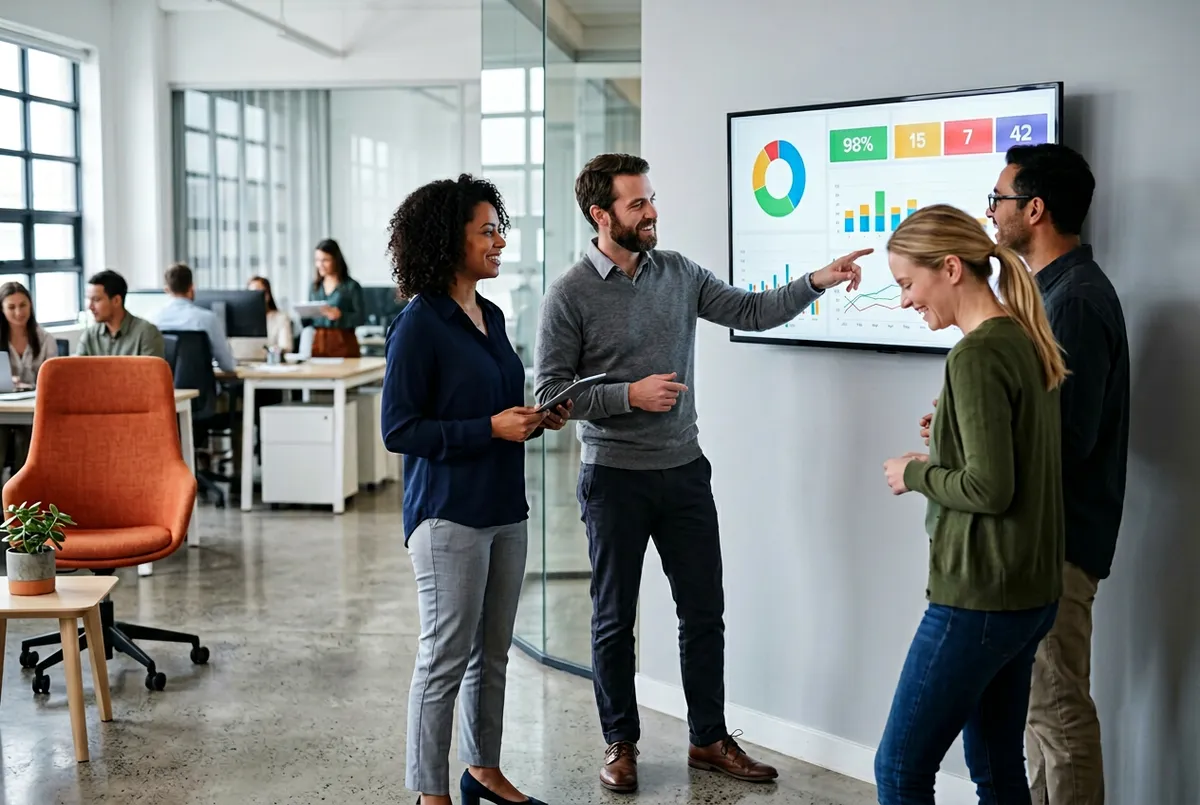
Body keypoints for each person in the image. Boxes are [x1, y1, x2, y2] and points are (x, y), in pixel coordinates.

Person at [533, 153, 869, 793]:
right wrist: (629, 395)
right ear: (601, 215)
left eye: (651, 198)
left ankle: (707, 739)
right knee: (612, 618)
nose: (652, 211)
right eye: (637, 203)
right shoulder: (569, 293)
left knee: (704, 612)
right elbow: (551, 392)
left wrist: (818, 280)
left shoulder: (679, 273)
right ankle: (620, 743)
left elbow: (750, 311)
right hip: (614, 478)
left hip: (684, 471)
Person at [381, 174, 571, 805]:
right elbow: (400, 428)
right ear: (448, 240)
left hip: (503, 506)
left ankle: (482, 771)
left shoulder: (489, 314)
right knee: (444, 660)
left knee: (492, 655)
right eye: (486, 230)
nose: (499, 240)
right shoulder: (418, 323)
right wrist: (489, 427)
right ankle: (430, 793)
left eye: (500, 228)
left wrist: (534, 417)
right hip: (448, 515)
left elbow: (492, 408)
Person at [877, 203, 1066, 804]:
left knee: (899, 770)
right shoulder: (1020, 335)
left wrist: (917, 472)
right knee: (995, 763)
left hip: (978, 596)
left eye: (908, 284)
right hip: (1029, 592)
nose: (906, 301)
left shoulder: (976, 353)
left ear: (951, 268)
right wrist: (950, 435)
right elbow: (1012, 457)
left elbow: (991, 489)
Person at [986, 143, 1128, 805]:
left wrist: (981, 441)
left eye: (999, 199)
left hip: (1058, 544)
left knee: (1058, 711)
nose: (990, 212)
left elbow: (1065, 440)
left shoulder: (1072, 301)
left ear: (1034, 209)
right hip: (1046, 540)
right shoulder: (1052, 293)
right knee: (1041, 714)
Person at [0, 281, 57, 473]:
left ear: (30, 305)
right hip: (4, 409)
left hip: (33, 411)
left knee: (26, 439)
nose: (18, 312)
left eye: (23, 305)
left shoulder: (45, 339)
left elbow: (55, 380)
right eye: (11, 307)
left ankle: (23, 499)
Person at [153, 262, 237, 373]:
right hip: (201, 388)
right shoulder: (208, 319)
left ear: (166, 290)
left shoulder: (152, 320)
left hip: (165, 388)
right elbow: (227, 365)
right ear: (192, 287)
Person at [76, 269, 166, 359]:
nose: (90, 306)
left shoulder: (146, 332)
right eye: (88, 299)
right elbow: (76, 370)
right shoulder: (90, 335)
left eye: (96, 300)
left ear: (116, 301)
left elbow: (150, 372)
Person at [310, 238, 364, 358]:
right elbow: (308, 321)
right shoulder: (315, 287)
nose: (320, 265)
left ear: (336, 260)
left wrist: (341, 316)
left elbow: (360, 318)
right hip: (319, 343)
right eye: (317, 260)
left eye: (325, 260)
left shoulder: (351, 286)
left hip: (344, 342)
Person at [247, 275, 295, 353]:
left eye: (258, 293)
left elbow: (286, 346)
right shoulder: (244, 319)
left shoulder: (281, 317)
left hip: (272, 361)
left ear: (268, 295)